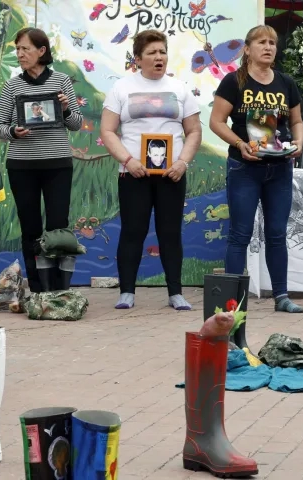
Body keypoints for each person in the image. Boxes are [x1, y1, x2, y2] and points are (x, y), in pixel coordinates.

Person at [100, 29, 202, 310]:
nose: (159, 58)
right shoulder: (122, 88)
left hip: (172, 175)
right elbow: (108, 130)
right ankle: (127, 292)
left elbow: (193, 131)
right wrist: (128, 161)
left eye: (163, 52)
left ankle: (175, 294)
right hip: (134, 174)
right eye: (152, 53)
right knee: (133, 231)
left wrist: (182, 162)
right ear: (138, 59)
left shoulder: (180, 88)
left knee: (170, 232)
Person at [209, 25, 303, 314]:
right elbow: (216, 121)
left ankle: (282, 296)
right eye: (261, 42)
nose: (268, 47)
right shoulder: (233, 82)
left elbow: (297, 121)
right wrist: (240, 144)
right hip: (244, 168)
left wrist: (298, 142)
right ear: (248, 49)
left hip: (279, 168)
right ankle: (233, 301)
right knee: (240, 233)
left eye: (273, 42)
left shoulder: (286, 83)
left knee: (277, 233)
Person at [0, 27, 83, 293]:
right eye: (17, 49)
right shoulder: (12, 85)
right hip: (22, 166)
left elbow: (77, 124)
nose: (19, 54)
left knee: (57, 226)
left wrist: (66, 109)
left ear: (41, 51)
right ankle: (37, 288)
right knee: (30, 227)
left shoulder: (62, 81)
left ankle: (57, 289)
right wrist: (13, 132)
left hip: (57, 165)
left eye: (25, 49)